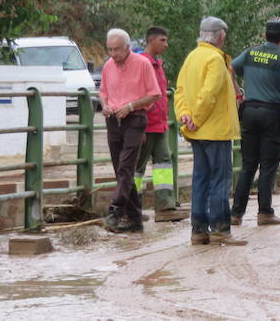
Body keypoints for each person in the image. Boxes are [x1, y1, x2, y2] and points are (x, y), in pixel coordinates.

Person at [174, 16, 245, 246]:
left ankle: (198, 230)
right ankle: (221, 228)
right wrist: (196, 119)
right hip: (215, 130)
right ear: (221, 36)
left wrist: (185, 116)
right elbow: (209, 94)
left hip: (197, 132)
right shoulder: (215, 59)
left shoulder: (192, 57)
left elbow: (180, 91)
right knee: (219, 180)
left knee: (200, 179)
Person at [229, 20, 280, 227]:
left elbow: (230, 67)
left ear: (264, 35)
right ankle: (265, 213)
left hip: (249, 111)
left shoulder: (250, 53)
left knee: (248, 164)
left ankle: (236, 214)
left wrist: (237, 89)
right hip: (271, 114)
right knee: (268, 165)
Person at [99, 28, 162, 233]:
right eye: (110, 49)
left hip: (135, 119)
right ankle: (135, 220)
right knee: (121, 171)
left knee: (126, 168)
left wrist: (132, 106)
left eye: (117, 49)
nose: (113, 54)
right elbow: (103, 93)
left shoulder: (143, 64)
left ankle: (115, 211)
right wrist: (105, 105)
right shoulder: (108, 66)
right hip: (113, 120)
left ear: (127, 47)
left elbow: (155, 94)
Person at [134, 26, 188, 222]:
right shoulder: (141, 63)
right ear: (151, 41)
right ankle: (132, 208)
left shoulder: (157, 63)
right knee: (136, 168)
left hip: (159, 124)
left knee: (163, 165)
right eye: (163, 40)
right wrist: (139, 124)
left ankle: (165, 207)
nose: (166, 45)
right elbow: (139, 94)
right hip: (146, 125)